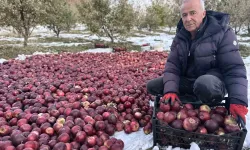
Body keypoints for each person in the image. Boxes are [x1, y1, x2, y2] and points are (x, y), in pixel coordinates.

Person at [147, 0, 248, 123]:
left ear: (203, 13)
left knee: (204, 84)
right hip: (190, 81)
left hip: (213, 82)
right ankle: (190, 102)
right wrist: (171, 90)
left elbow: (234, 68)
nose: (188, 18)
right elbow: (173, 65)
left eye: (193, 13)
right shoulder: (180, 36)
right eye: (184, 15)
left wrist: (238, 100)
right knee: (153, 86)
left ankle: (204, 101)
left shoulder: (222, 33)